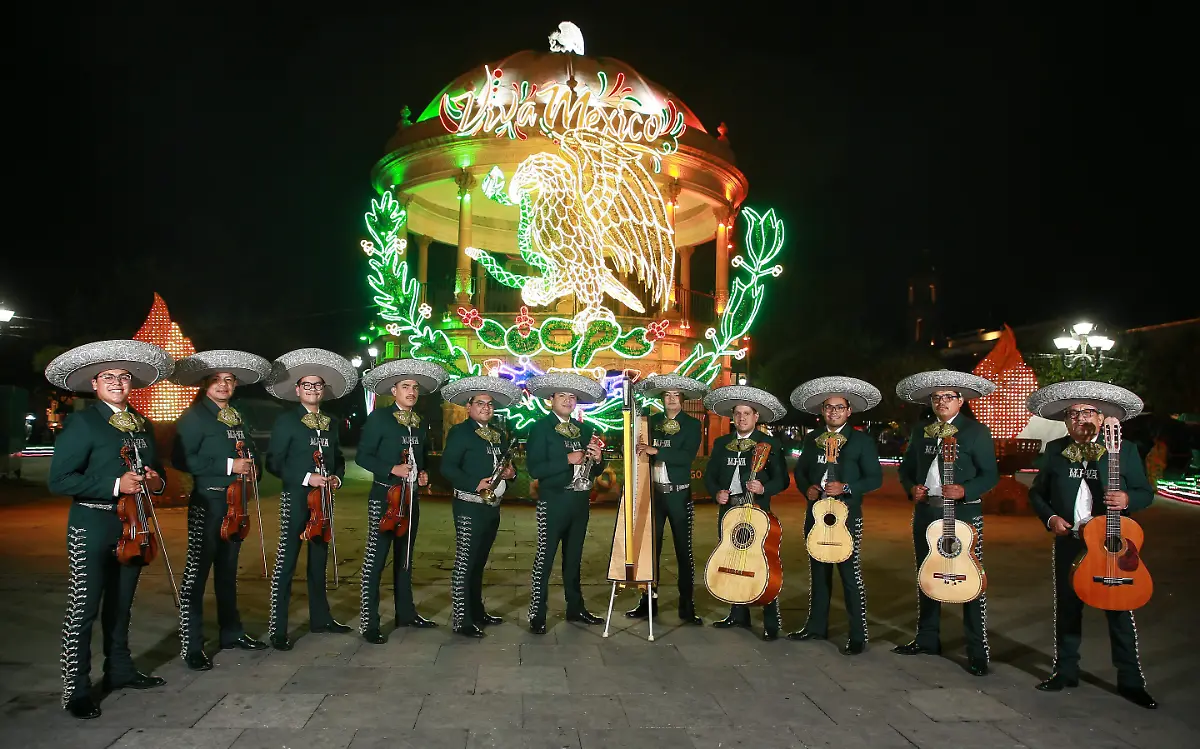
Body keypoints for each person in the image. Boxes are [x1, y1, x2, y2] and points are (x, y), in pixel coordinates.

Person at [45, 340, 174, 719]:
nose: (118, 382)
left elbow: (159, 473)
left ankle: (119, 670)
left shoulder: (141, 423)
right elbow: (60, 479)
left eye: (124, 377)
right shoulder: (83, 422)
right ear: (95, 384)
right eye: (109, 377)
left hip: (133, 525)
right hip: (93, 522)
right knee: (84, 608)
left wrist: (153, 481)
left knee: (121, 605)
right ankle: (77, 689)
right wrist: (117, 485)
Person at [1026, 381, 1157, 708]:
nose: (1079, 418)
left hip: (1112, 543)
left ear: (1101, 418)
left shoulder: (1123, 450)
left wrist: (1127, 498)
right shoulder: (1055, 450)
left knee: (1119, 610)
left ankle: (1131, 681)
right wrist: (1051, 518)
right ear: (1066, 421)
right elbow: (1037, 493)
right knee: (1068, 608)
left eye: (1087, 412)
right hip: (1070, 541)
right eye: (1072, 414)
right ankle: (1065, 671)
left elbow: (1145, 492)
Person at [172, 350, 273, 670]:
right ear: (205, 385)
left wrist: (254, 467)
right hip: (208, 502)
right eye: (216, 380)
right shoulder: (194, 417)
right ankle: (192, 645)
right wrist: (231, 464)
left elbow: (251, 450)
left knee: (228, 573)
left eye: (229, 380)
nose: (223, 385)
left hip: (236, 504)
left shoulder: (237, 416)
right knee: (196, 575)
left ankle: (232, 632)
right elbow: (181, 460)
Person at [894, 369, 998, 676]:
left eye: (948, 397)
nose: (941, 402)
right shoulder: (921, 430)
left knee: (971, 577)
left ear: (961, 400)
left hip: (964, 513)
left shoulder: (976, 432)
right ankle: (927, 637)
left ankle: (977, 650)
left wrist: (967, 490)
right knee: (927, 573)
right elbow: (906, 468)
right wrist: (911, 487)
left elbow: (990, 474)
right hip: (927, 511)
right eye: (936, 397)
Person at [264, 348, 357, 650]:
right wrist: (307, 477)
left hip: (324, 502)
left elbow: (338, 459)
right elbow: (274, 463)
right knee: (286, 562)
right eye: (308, 385)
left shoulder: (330, 421)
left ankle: (321, 618)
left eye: (318, 386)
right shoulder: (286, 421)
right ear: (297, 390)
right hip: (297, 498)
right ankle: (278, 629)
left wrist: (336, 477)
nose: (314, 390)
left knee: (319, 562)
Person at [786, 376, 883, 654]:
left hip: (847, 517)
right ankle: (816, 626)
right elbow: (802, 472)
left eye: (839, 408)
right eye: (828, 408)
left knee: (849, 575)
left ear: (849, 411)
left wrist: (848, 487)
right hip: (816, 515)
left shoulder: (861, 441)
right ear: (822, 411)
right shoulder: (812, 439)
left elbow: (874, 477)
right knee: (818, 572)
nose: (833, 412)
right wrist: (808, 489)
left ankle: (857, 634)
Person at [355, 359, 448, 643]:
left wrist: (423, 475)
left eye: (415, 387)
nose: (411, 392)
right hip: (384, 497)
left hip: (410, 499)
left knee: (405, 557)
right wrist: (391, 468)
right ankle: (369, 623)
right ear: (393, 391)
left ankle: (405, 613)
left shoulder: (418, 422)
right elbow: (363, 456)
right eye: (405, 387)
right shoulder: (379, 418)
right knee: (376, 559)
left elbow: (418, 459)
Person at [703, 384, 790, 640]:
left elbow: (782, 480)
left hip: (757, 511)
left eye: (747, 413)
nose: (742, 418)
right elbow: (710, 476)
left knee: (763, 561)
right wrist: (716, 492)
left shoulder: (768, 444)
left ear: (756, 417)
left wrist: (764, 487)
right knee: (731, 559)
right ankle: (737, 614)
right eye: (738, 413)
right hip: (729, 511)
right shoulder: (721, 444)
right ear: (733, 417)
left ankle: (771, 621)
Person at [439, 374, 524, 637]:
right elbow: (447, 467)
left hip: (491, 507)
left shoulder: (497, 435)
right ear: (469, 407)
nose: (486, 408)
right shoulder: (460, 432)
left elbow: (506, 467)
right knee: (465, 562)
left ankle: (477, 611)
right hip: (469, 505)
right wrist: (473, 483)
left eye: (489, 404)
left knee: (479, 563)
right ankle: (461, 620)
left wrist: (512, 474)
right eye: (480, 404)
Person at [524, 372, 608, 634]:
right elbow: (534, 468)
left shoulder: (584, 430)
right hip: (554, 501)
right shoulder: (539, 428)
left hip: (580, 501)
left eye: (572, 397)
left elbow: (594, 470)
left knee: (573, 559)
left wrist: (598, 458)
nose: (568, 401)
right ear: (551, 399)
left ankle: (576, 607)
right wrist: (567, 460)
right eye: (563, 396)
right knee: (545, 559)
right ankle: (537, 614)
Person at [625, 374, 710, 624]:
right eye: (667, 395)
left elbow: (685, 458)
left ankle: (687, 606)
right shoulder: (651, 422)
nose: (671, 399)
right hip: (653, 494)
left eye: (676, 395)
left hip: (678, 494)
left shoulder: (693, 425)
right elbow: (637, 448)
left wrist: (656, 450)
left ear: (682, 399)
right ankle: (647, 602)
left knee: (684, 551)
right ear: (662, 399)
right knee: (650, 551)